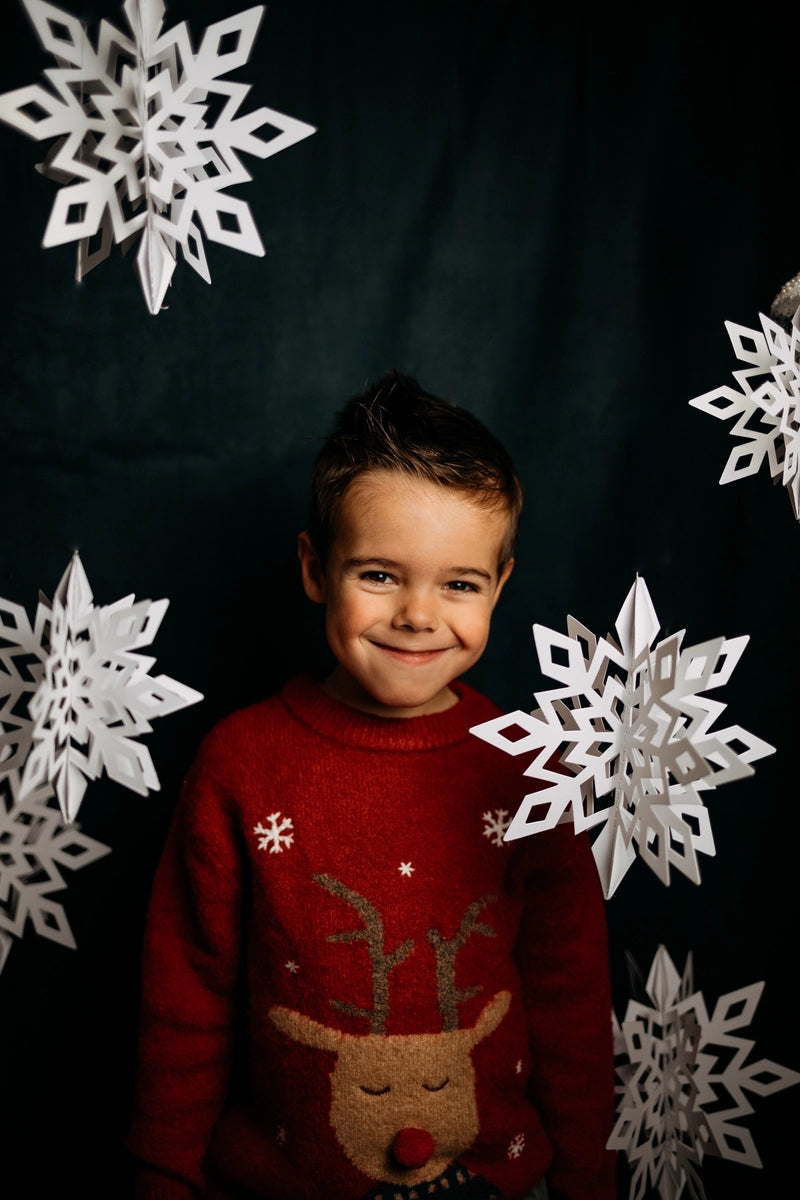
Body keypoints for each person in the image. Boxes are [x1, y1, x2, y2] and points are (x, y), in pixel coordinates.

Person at [127, 371, 616, 1200]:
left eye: (459, 584)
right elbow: (187, 1001)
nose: (419, 615)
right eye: (381, 575)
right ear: (316, 568)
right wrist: (163, 1178)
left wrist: (587, 1178)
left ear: (498, 586)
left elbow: (571, 1001)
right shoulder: (240, 764)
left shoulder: (532, 767)